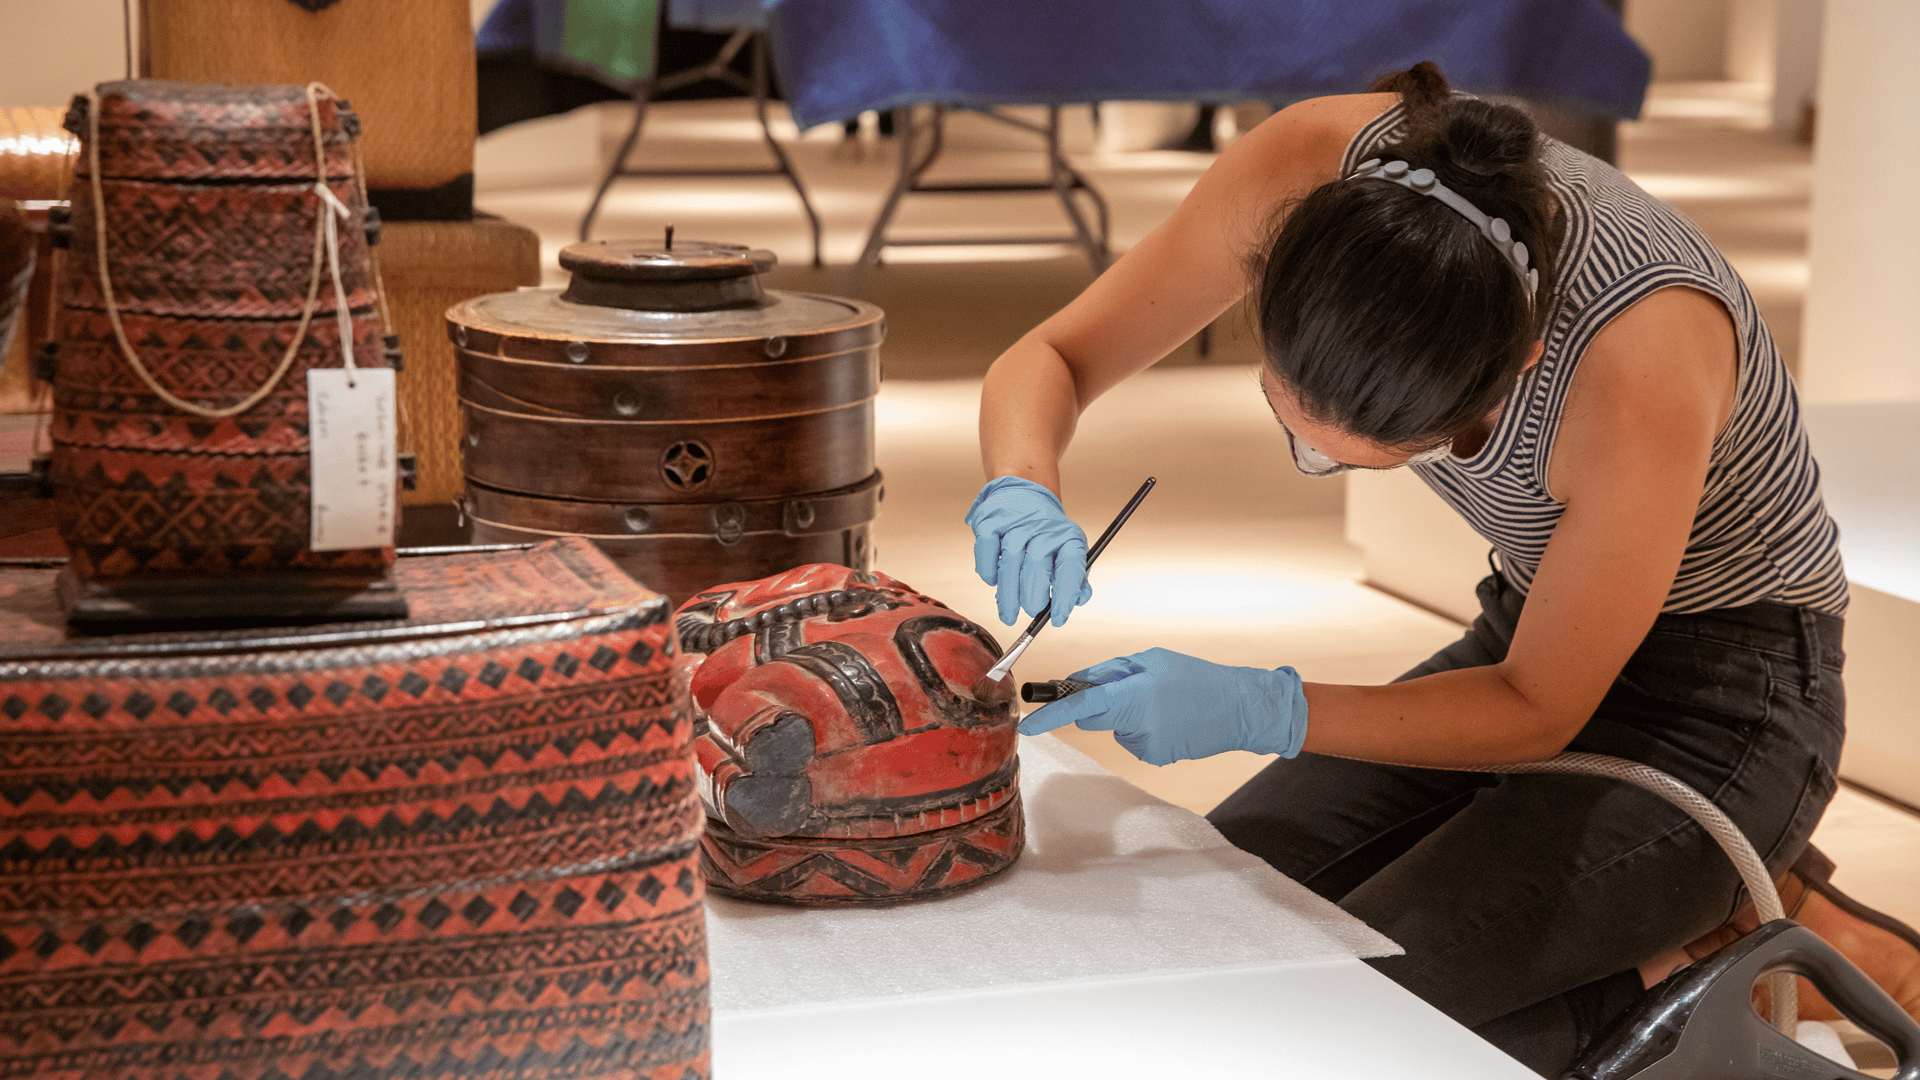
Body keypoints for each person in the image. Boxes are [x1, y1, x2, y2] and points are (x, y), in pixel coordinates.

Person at [966, 62, 1920, 1075]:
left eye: (1362, 457)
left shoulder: (1636, 361)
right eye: (1295, 425)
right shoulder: (1303, 174)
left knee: (1361, 1036)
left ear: (1517, 368)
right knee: (1209, 935)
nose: (1314, 462)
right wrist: (1023, 488)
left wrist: (1260, 705)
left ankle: (1714, 940)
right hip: (1532, 627)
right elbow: (1055, 358)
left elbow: (1539, 706)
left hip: (1727, 703)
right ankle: (1687, 893)